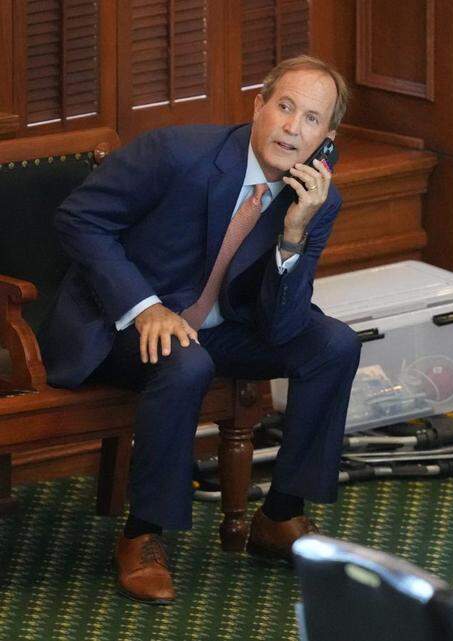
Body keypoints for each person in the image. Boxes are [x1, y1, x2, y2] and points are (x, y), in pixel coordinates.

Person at [38, 55, 362, 604]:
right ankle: (143, 535)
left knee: (333, 343)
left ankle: (279, 516)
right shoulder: (177, 151)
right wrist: (143, 307)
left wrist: (293, 235)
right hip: (119, 326)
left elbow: (283, 327)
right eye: (284, 107)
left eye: (311, 119)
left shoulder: (314, 200)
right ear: (258, 107)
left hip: (221, 329)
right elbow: (80, 218)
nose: (291, 127)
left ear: (326, 139)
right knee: (187, 359)